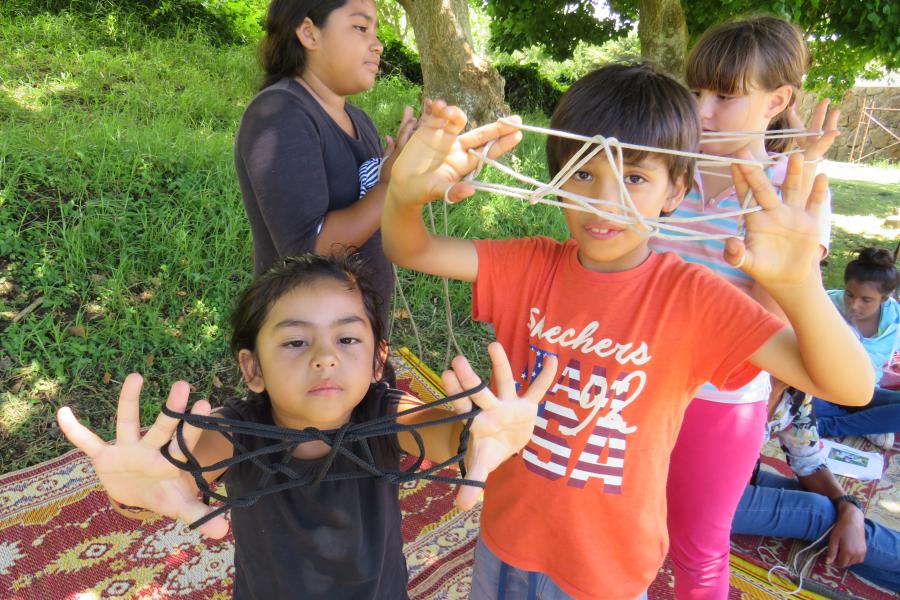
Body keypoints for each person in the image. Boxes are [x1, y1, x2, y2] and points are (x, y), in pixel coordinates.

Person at [381, 62, 873, 599]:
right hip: (505, 537)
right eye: (584, 174)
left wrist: (799, 285)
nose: (605, 200)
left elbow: (850, 387)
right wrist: (404, 195)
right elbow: (410, 247)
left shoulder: (693, 298)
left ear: (674, 190)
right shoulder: (531, 264)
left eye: (635, 177)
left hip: (606, 569)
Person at [56, 253, 559, 599]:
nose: (324, 358)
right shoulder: (236, 430)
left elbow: (451, 437)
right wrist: (141, 487)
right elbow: (179, 474)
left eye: (347, 340)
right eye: (296, 342)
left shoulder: (385, 411)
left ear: (379, 359)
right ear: (252, 369)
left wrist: (482, 439)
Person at [647, 16, 840, 599]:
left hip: (717, 399)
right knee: (622, 529)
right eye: (695, 93)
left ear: (777, 100)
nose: (702, 112)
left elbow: (768, 330)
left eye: (726, 97)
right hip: (633, 379)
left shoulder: (795, 193)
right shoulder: (659, 171)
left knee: (698, 551)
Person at [234, 0, 417, 323]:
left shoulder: (361, 121)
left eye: (376, 31)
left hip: (357, 337)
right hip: (305, 342)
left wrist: (407, 174)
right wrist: (394, 183)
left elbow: (374, 220)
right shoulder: (280, 113)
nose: (378, 45)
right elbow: (309, 253)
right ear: (309, 33)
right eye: (361, 28)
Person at [731, 387, 900, 593]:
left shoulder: (792, 393)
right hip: (697, 495)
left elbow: (808, 460)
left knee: (841, 524)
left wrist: (848, 506)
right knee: (818, 513)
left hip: (740, 476)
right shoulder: (728, 388)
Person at [813, 246, 900, 450]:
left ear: (885, 298)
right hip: (821, 390)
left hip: (865, 393)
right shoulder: (824, 305)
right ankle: (868, 423)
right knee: (798, 403)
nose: (854, 305)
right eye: (850, 294)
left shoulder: (894, 319)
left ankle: (827, 426)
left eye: (866, 300)